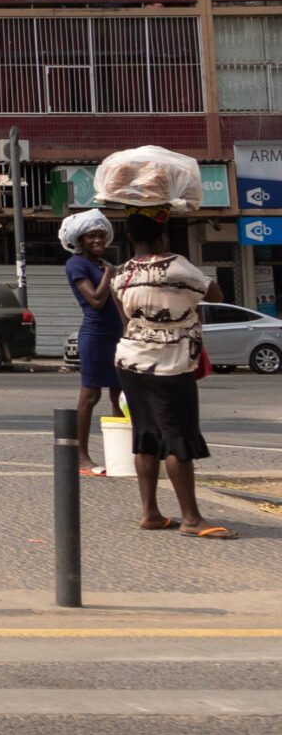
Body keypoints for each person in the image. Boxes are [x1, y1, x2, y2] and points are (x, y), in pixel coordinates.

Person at [111, 208, 232, 537]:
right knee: (178, 438)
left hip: (131, 360)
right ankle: (191, 519)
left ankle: (150, 512)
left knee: (146, 436)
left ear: (131, 238)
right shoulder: (177, 265)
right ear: (162, 236)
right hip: (170, 363)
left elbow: (125, 318)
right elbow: (216, 294)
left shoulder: (121, 273)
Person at [62, 208, 118, 476]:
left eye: (101, 235)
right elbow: (96, 300)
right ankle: (81, 455)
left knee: (121, 395)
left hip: (118, 335)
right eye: (91, 236)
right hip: (95, 335)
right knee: (90, 395)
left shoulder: (102, 264)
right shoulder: (77, 264)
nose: (97, 240)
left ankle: (124, 452)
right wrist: (110, 274)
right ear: (80, 240)